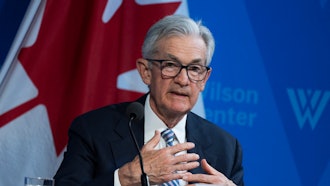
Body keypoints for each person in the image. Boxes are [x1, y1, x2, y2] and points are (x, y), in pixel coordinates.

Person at [54, 14, 244, 186]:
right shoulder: (93, 130)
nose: (183, 80)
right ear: (146, 72)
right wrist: (126, 178)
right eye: (170, 65)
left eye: (194, 69)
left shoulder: (226, 147)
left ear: (204, 79)